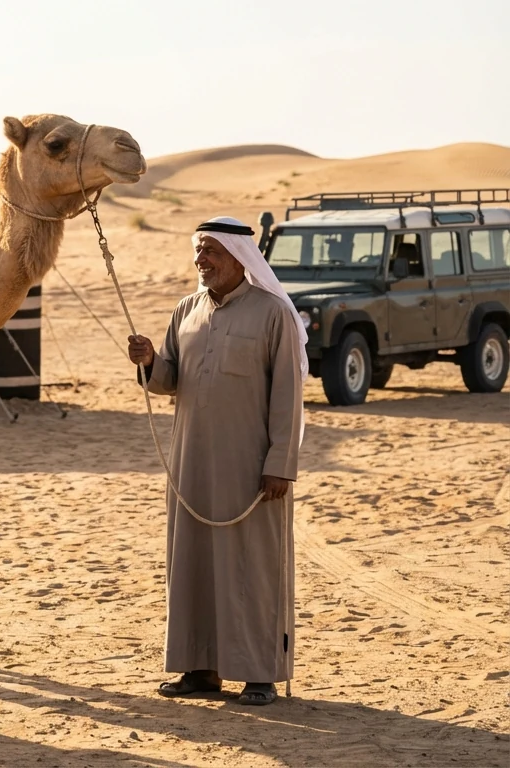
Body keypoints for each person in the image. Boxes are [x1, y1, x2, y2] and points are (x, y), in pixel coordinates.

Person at [126, 216, 306, 706]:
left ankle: (259, 673)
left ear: (238, 257)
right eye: (198, 251)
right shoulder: (186, 309)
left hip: (252, 468)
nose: (200, 259)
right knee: (194, 564)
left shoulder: (273, 313)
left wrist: (281, 462)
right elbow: (170, 380)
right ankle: (200, 670)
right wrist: (148, 362)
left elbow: (290, 393)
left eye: (210, 251)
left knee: (251, 568)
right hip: (192, 464)